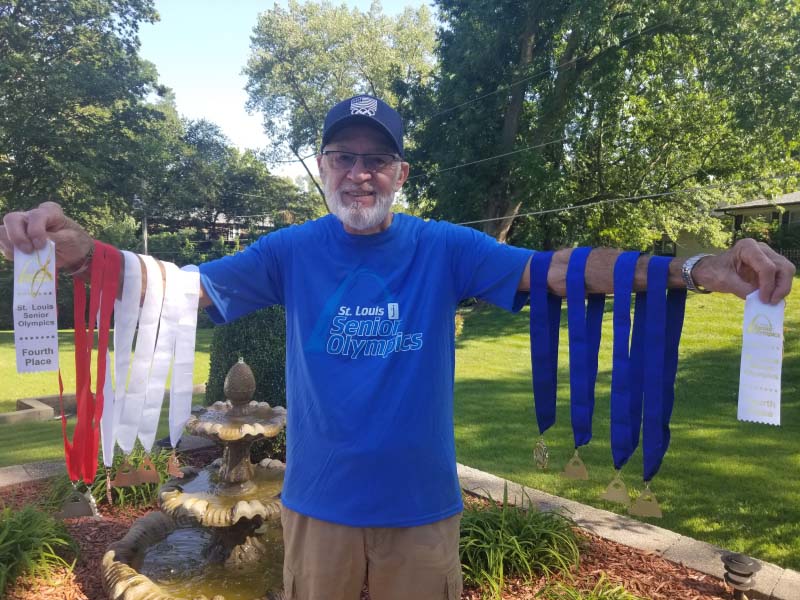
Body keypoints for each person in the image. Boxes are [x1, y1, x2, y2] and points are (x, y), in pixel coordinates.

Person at [0, 95, 795, 600]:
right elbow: (187, 289)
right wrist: (84, 256)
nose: (360, 173)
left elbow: (556, 269)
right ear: (323, 167)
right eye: (344, 157)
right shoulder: (291, 251)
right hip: (318, 510)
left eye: (375, 159)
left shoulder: (444, 247)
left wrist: (697, 268)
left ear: (399, 172)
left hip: (420, 513)